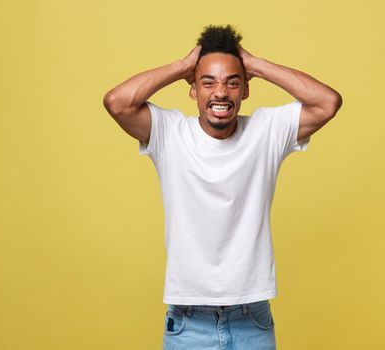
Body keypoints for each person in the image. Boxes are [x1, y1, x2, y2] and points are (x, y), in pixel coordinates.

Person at [103, 24, 342, 350]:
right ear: (193, 90)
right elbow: (117, 102)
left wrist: (254, 64)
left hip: (252, 319)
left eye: (232, 82)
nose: (220, 92)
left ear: (245, 90)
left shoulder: (266, 131)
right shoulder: (169, 133)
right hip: (188, 322)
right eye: (208, 82)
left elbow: (327, 102)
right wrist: (183, 66)